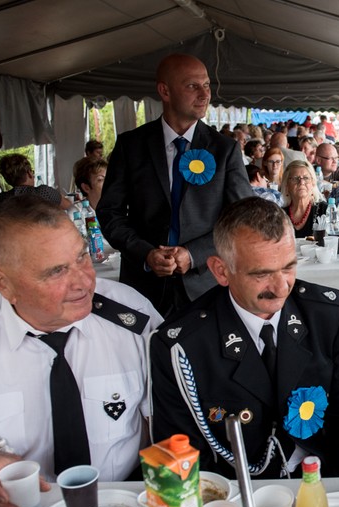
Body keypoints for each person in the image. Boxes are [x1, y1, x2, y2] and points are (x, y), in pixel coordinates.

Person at [0, 196, 162, 507]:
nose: (84, 281)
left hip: (125, 501)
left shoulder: (132, 317)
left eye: (81, 256)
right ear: (2, 283)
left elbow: (164, 427)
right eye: (56, 272)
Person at [150, 197, 339, 478]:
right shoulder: (182, 346)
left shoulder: (326, 315)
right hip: (235, 494)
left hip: (319, 480)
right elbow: (186, 455)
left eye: (289, 267)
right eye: (262, 274)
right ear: (221, 271)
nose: (281, 287)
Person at [97, 53, 253, 316]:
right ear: (165, 91)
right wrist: (145, 253)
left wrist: (192, 254)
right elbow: (109, 212)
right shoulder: (131, 145)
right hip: (142, 287)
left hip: (206, 284)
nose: (204, 94)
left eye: (206, 85)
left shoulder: (224, 149)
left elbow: (241, 219)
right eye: (193, 86)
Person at [0, 154, 64, 207]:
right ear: (29, 173)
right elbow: (69, 206)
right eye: (32, 171)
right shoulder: (44, 192)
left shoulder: (2, 199)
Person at [281, 160, 322, 239]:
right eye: (295, 178)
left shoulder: (324, 210)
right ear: (286, 186)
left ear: (313, 184)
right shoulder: (280, 215)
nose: (301, 182)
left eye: (306, 178)